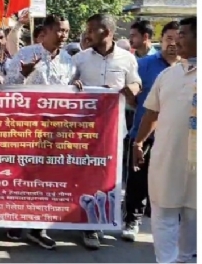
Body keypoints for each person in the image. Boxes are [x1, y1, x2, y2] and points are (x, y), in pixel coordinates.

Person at [72, 13, 142, 250]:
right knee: (87, 176)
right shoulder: (80, 59)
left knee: (107, 176)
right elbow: (67, 88)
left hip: (114, 130)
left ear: (107, 32)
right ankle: (89, 226)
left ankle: (101, 219)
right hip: (85, 131)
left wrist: (129, 88)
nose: (88, 34)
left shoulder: (127, 59)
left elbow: (136, 84)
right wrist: (75, 86)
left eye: (92, 29)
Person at [131, 17, 196, 263]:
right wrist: (138, 142)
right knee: (164, 215)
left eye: (185, 34)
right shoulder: (168, 75)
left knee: (194, 216)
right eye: (178, 34)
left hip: (196, 166)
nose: (178, 39)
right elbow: (151, 112)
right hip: (167, 159)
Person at [4, 14, 72, 249]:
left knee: (46, 179)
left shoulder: (68, 62)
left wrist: (78, 89)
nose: (64, 35)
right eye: (60, 30)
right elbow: (7, 86)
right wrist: (23, 73)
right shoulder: (26, 54)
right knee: (21, 177)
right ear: (48, 31)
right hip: (26, 129)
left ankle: (37, 228)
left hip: (54, 131)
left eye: (66, 31)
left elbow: (70, 94)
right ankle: (15, 222)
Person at [122, 21, 181, 242]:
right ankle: (132, 220)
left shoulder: (190, 69)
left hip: (176, 138)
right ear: (161, 39)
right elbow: (132, 97)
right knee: (138, 181)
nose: (174, 44)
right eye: (169, 39)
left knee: (169, 184)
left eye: (178, 38)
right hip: (143, 134)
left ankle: (168, 225)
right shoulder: (144, 65)